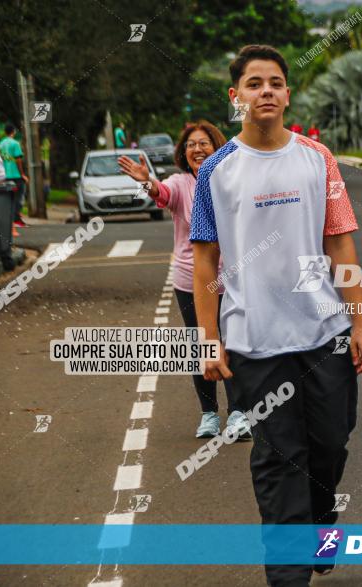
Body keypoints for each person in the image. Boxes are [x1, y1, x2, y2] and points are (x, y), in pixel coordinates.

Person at [190, 44, 362, 587]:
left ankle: (322, 523)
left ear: (287, 93)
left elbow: (341, 245)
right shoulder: (216, 171)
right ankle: (287, 574)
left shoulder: (317, 158)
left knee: (331, 443)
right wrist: (208, 339)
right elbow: (205, 260)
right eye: (254, 83)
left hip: (325, 334)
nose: (265, 91)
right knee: (278, 457)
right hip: (254, 340)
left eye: (275, 82)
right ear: (236, 96)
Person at [118, 121, 252, 440]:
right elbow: (161, 193)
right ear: (183, 153)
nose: (197, 149)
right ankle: (208, 415)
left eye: (204, 143)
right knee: (201, 344)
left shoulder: (234, 180)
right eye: (191, 145)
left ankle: (237, 414)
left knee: (234, 343)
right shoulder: (179, 183)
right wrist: (147, 182)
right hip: (190, 279)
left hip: (234, 277)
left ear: (218, 148)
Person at [0, 124, 28, 228]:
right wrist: (22, 174)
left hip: (5, 175)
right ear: (13, 132)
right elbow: (18, 159)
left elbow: (1, 159)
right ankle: (16, 219)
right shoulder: (15, 143)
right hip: (16, 175)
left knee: (8, 198)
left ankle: (11, 219)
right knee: (20, 197)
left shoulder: (1, 144)